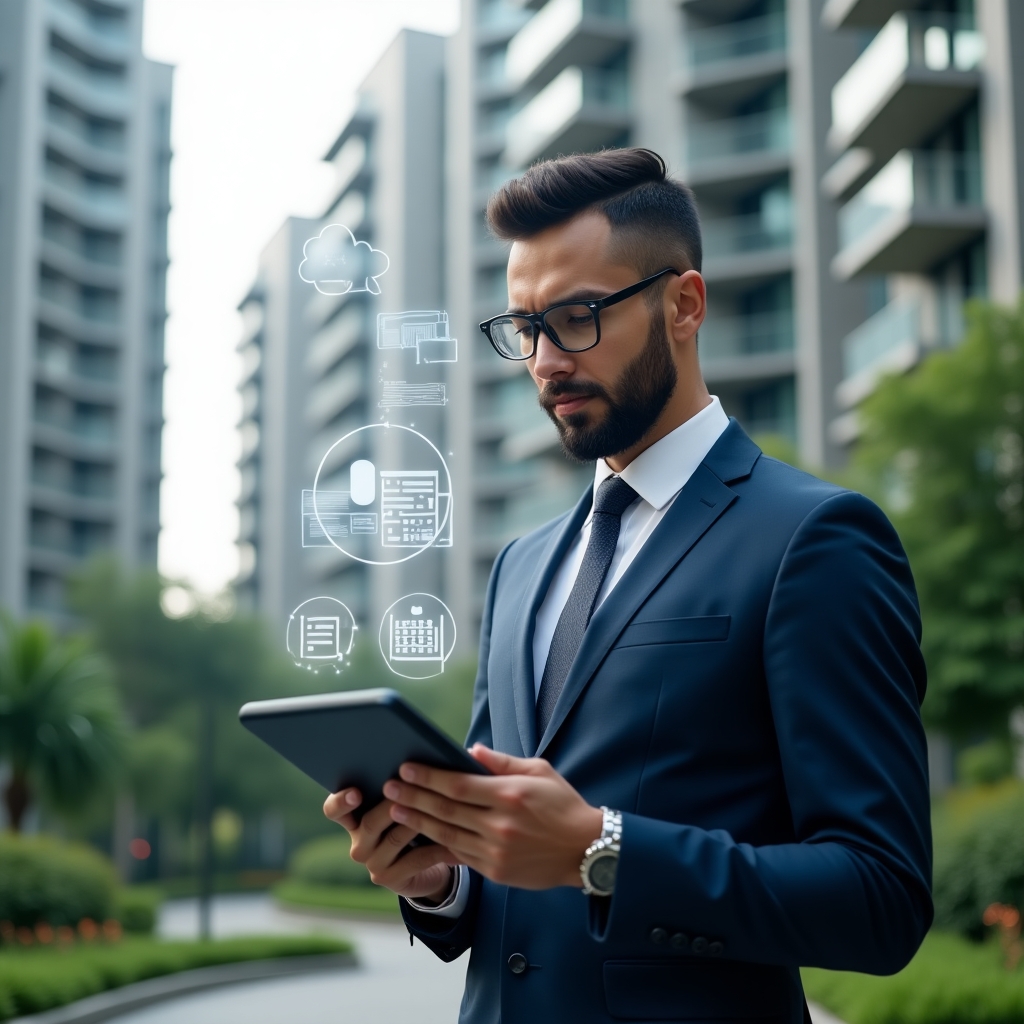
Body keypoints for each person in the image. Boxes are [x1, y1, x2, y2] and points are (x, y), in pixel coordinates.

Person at [324, 148, 932, 1024]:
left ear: (684, 304)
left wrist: (602, 851)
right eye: (524, 328)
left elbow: (881, 898)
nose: (543, 361)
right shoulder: (522, 566)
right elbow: (510, 874)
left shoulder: (816, 538)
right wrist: (440, 877)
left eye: (575, 317)